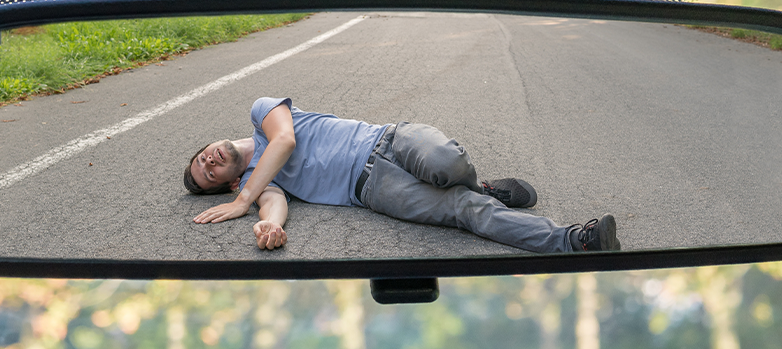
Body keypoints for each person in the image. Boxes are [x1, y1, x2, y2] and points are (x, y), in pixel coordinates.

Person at [183, 97, 620, 252]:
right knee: (467, 213)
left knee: (447, 165)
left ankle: (480, 186)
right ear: (227, 183)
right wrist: (267, 225)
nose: (208, 162)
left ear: (209, 144)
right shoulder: (261, 181)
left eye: (202, 157)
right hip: (374, 189)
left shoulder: (263, 113)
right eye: (208, 175)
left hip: (390, 140)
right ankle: (575, 241)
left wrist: (242, 200)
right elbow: (273, 202)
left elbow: (285, 142)